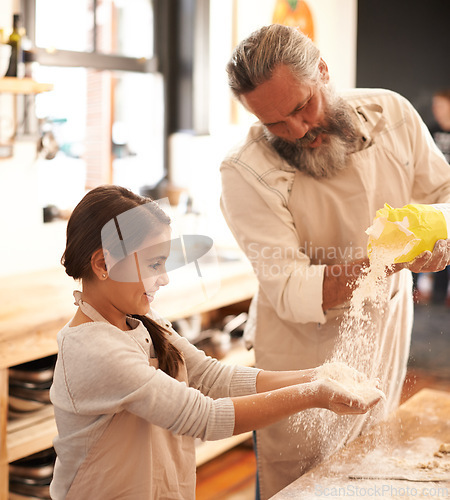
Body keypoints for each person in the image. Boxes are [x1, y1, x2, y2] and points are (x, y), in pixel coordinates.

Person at [220, 24, 450, 499]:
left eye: (302, 106)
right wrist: (385, 259)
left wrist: (440, 238)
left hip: (383, 335)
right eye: (275, 124)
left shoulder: (394, 115)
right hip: (302, 357)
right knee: (303, 485)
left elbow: (444, 195)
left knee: (368, 473)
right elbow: (289, 287)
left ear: (323, 71)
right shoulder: (245, 171)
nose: (297, 131)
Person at [49, 184, 379, 499]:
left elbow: (209, 377)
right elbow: (204, 417)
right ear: (104, 264)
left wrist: (318, 375)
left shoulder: (143, 323)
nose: (163, 279)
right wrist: (312, 395)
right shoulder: (95, 348)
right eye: (153, 265)